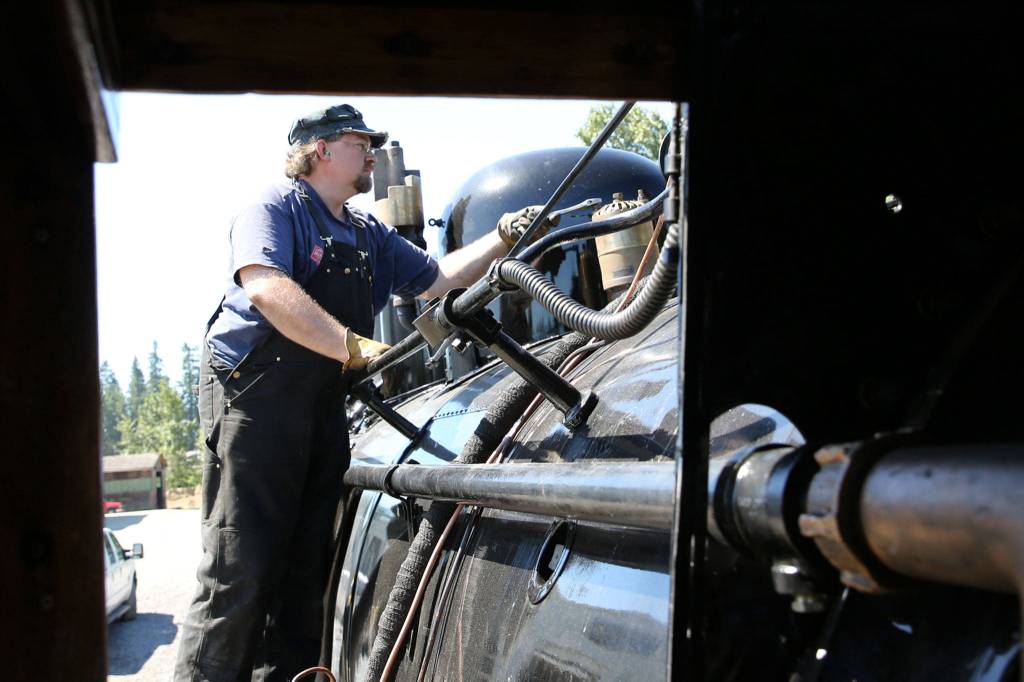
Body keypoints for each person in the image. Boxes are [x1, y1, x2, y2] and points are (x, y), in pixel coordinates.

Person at [172, 104, 544, 682]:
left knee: (305, 575)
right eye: (359, 141)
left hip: (320, 403)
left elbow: (439, 280)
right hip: (254, 399)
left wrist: (501, 237)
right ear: (321, 149)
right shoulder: (273, 207)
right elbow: (266, 286)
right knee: (239, 569)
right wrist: (353, 348)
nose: (373, 151)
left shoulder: (366, 232)